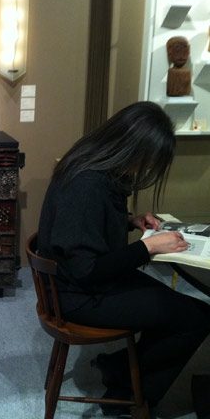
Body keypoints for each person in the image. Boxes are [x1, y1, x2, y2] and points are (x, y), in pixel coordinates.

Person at [37, 101, 210, 414]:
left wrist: (131, 220)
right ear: (130, 148)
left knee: (178, 308)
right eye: (146, 162)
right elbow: (88, 269)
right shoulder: (86, 185)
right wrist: (149, 247)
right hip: (78, 295)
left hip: (80, 282)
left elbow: (89, 226)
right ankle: (130, 389)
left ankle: (121, 373)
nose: (144, 171)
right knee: (196, 319)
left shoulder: (91, 163)